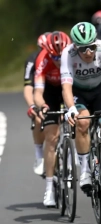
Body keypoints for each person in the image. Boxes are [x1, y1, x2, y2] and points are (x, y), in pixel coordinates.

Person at [60, 22, 101, 201]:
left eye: (92, 47)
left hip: (99, 91)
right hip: (78, 93)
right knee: (82, 122)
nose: (88, 52)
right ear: (75, 47)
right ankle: (86, 171)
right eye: (83, 48)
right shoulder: (68, 53)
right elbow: (66, 87)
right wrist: (71, 109)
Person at [33, 31, 71, 207]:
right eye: (54, 56)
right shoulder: (43, 59)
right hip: (50, 92)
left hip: (69, 88)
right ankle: (49, 186)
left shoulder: (72, 55)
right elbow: (38, 93)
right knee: (51, 136)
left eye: (60, 56)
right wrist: (43, 106)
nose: (57, 59)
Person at [23, 32, 51, 176]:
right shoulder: (33, 60)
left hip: (56, 91)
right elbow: (28, 86)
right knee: (39, 118)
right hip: (39, 93)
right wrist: (31, 105)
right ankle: (39, 154)